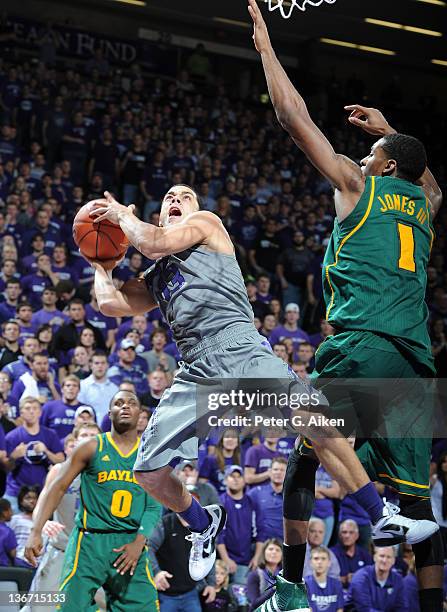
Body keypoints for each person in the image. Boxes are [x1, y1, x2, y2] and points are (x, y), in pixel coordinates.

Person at [88, 182, 433, 592]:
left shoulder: (205, 224)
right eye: (169, 198)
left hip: (238, 345)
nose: (177, 200)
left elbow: (153, 240)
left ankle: (381, 515)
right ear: (161, 212)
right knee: (148, 471)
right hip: (196, 366)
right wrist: (100, 261)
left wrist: (124, 216)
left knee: (314, 419)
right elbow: (109, 304)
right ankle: (203, 522)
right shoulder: (156, 272)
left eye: (185, 196)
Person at [248, 2, 442, 609]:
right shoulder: (426, 207)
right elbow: (433, 183)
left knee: (305, 456)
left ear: (385, 166)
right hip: (414, 366)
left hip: (361, 346)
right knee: (421, 510)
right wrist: (394, 132)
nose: (362, 158)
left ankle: (289, 588)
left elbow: (291, 115)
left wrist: (265, 51)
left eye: (374, 153)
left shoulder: (360, 186)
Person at [24, 390, 161, 611]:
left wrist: (139, 542)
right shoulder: (91, 447)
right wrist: (35, 530)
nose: (125, 407)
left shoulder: (150, 455)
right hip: (89, 542)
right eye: (118, 403)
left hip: (129, 544)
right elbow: (57, 487)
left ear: (141, 414)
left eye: (131, 403)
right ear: (110, 413)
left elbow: (154, 505)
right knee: (69, 607)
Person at [22, 424, 101, 612]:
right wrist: (43, 524)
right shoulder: (59, 470)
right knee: (40, 607)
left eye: (93, 435)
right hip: (62, 550)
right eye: (84, 435)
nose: (89, 438)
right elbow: (39, 507)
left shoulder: (111, 474)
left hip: (96, 554)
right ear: (75, 442)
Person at [149, 509, 216, 612]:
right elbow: (149, 547)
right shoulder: (165, 523)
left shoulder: (201, 526)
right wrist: (156, 572)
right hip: (166, 594)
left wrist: (211, 583)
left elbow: (207, 554)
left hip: (191, 592)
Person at [4, 397, 64, 513]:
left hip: (42, 493)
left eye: (35, 408)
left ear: (40, 412)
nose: (31, 411)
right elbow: (5, 469)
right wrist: (14, 456)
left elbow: (61, 461)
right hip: (16, 493)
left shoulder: (50, 435)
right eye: (27, 408)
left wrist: (46, 451)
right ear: (21, 413)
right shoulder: (12, 437)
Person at [217, 465, 264, 585]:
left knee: (242, 598)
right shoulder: (220, 502)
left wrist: (257, 557)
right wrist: (226, 559)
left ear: (244, 480)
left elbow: (259, 532)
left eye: (239, 476)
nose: (236, 479)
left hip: (246, 561)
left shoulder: (251, 502)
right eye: (232, 476)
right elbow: (218, 534)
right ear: (226, 480)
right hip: (223, 560)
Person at [349, 547, 407, 611]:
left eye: (388, 557)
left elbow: (402, 607)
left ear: (393, 561)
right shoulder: (361, 578)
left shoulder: (398, 579)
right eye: (382, 556)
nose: (384, 560)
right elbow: (365, 609)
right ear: (374, 557)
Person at [248, 456, 286, 541]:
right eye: (276, 469)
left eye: (282, 470)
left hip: (283, 545)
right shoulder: (256, 493)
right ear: (269, 472)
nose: (278, 473)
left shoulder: (293, 496)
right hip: (259, 544)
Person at [78, 350, 119, 424]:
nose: (100, 366)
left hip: (109, 431)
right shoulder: (82, 386)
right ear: (91, 365)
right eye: (97, 363)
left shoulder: (115, 389)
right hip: (88, 430)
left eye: (103, 363)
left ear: (107, 365)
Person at [330, 519, 373, 589]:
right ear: (339, 535)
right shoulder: (331, 554)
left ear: (357, 535)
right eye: (344, 532)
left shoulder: (365, 555)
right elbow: (326, 579)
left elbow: (372, 577)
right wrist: (345, 579)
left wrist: (357, 578)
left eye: (351, 532)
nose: (347, 536)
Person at [40, 375, 83, 441]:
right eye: (68, 385)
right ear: (62, 389)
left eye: (74, 386)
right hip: (53, 449)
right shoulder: (49, 407)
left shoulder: (85, 410)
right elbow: (41, 429)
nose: (71, 388)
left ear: (79, 390)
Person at [246, 539, 283, 611]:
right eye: (270, 549)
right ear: (264, 552)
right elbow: (254, 604)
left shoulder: (285, 576)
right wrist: (273, 589)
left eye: (277, 550)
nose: (274, 552)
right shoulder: (254, 575)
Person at [304, 547, 344, 612]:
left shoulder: (337, 584)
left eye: (323, 559)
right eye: (316, 559)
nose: (320, 562)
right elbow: (307, 609)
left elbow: (340, 609)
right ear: (310, 562)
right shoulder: (305, 584)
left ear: (329, 563)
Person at [9, 485, 39, 568]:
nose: (32, 501)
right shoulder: (14, 519)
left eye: (35, 498)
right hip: (19, 560)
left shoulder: (43, 522)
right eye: (28, 498)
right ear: (21, 501)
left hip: (38, 563)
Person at [0, 498, 16, 566]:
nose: (12, 513)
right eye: (10, 510)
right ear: (5, 512)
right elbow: (13, 554)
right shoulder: (7, 532)